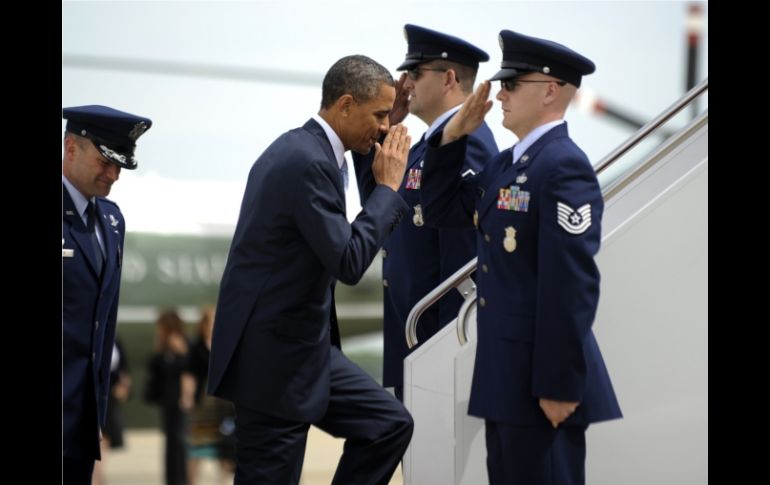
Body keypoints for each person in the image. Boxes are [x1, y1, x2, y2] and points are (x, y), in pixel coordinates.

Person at [420, 30, 622, 484]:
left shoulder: (564, 165)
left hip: (541, 385)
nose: (501, 93)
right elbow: (438, 208)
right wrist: (452, 135)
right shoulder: (506, 165)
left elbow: (571, 285)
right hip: (504, 380)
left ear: (551, 90)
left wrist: (558, 384)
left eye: (512, 84)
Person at [207, 54, 415, 484]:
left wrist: (385, 131)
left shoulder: (309, 150)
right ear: (344, 106)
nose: (383, 126)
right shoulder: (309, 163)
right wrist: (389, 188)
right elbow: (349, 261)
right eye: (378, 114)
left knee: (389, 424)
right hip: (274, 366)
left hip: (305, 352)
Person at [352, 24, 498, 400]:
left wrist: (449, 347)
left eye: (415, 73)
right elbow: (379, 205)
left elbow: (464, 257)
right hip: (414, 342)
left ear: (449, 78)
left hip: (437, 343)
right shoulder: (426, 148)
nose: (406, 82)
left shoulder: (467, 143)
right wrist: (387, 128)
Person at [62, 105, 152, 485]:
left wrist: (97, 411)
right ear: (70, 149)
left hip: (83, 419)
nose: (113, 174)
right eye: (105, 161)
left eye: (120, 165)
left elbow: (105, 317)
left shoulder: (112, 222)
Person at [181, 307, 235, 485]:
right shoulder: (197, 347)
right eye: (210, 321)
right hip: (203, 404)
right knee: (196, 446)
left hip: (224, 404)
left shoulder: (227, 344)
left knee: (225, 447)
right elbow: (189, 374)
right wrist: (187, 396)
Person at [146, 309, 190, 485]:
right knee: (170, 441)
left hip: (181, 401)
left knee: (179, 441)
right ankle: (172, 480)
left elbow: (190, 371)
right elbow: (155, 369)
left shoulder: (184, 344)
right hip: (167, 400)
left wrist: (182, 352)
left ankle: (181, 479)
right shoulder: (163, 348)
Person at [92, 337, 132, 485]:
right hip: (88, 393)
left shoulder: (116, 341)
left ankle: (98, 477)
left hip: (108, 396)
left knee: (104, 437)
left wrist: (124, 387)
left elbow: (124, 370)